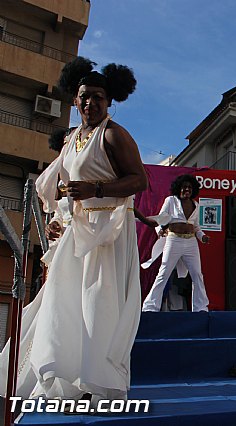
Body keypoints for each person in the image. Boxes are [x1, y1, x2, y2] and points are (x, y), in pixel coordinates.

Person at [0, 56, 147, 404]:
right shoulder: (73, 138)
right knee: (62, 301)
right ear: (74, 100)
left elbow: (138, 180)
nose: (90, 102)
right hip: (76, 230)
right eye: (84, 96)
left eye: (97, 96)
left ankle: (95, 384)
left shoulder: (113, 133)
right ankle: (61, 377)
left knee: (98, 305)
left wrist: (96, 190)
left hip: (108, 232)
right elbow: (64, 188)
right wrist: (59, 217)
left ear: (109, 101)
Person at [142, 174, 210, 313]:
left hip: (191, 242)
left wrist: (202, 237)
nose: (187, 190)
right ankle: (150, 307)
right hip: (174, 240)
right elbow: (159, 219)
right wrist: (160, 231)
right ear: (179, 188)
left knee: (197, 274)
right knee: (164, 273)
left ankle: (201, 308)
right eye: (184, 187)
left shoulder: (196, 205)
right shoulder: (171, 201)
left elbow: (196, 226)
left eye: (190, 187)